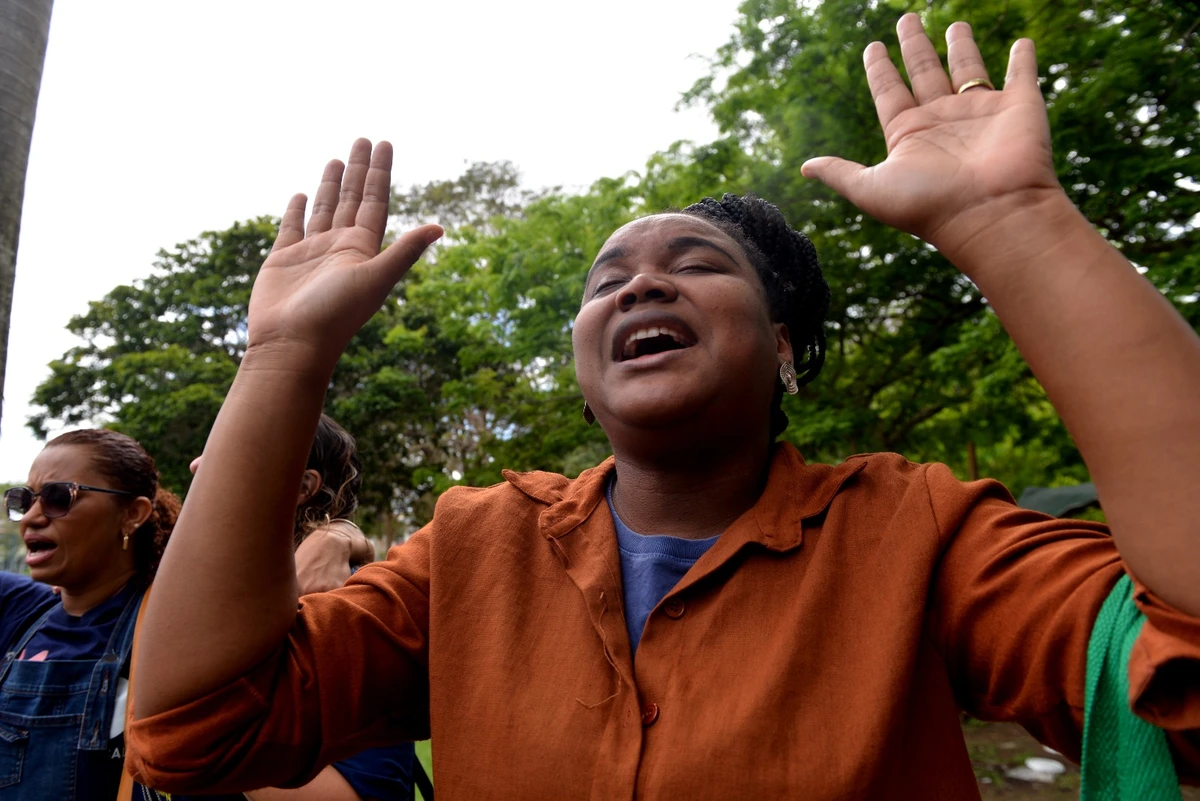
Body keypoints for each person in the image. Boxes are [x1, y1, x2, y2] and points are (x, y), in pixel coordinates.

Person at [126, 16, 1200, 799]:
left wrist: (1017, 223)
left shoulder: (917, 532)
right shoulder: (472, 548)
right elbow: (193, 728)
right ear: (590, 362)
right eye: (606, 281)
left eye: (695, 262)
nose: (640, 284)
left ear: (781, 350)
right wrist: (284, 353)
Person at [188, 414, 418, 801]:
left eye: (225, 452)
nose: (196, 465)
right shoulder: (208, 592)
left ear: (303, 486)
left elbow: (361, 792)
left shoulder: (341, 601)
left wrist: (195, 733)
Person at [0, 429, 180, 800]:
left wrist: (336, 535)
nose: (32, 517)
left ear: (132, 514)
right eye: (25, 498)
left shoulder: (170, 627)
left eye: (57, 498)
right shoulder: (21, 611)